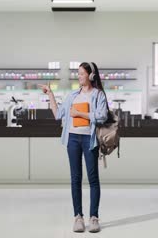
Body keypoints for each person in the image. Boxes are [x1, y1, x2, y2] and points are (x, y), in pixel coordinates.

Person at [39, 62, 108, 233]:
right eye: (78, 74)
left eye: (82, 74)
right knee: (75, 178)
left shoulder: (98, 95)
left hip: (89, 139)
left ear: (91, 75)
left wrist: (80, 114)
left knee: (93, 178)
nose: (79, 76)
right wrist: (51, 95)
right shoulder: (72, 95)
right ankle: (78, 217)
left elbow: (102, 115)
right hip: (73, 139)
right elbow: (58, 114)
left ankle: (94, 218)